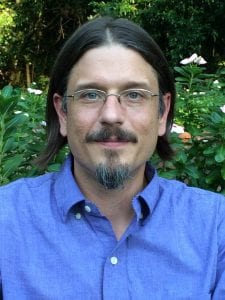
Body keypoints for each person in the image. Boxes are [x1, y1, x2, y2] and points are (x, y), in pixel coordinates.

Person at [0, 16, 224, 300]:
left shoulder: (217, 228)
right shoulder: (5, 222)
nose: (111, 115)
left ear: (162, 113)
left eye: (134, 95)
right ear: (63, 113)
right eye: (91, 94)